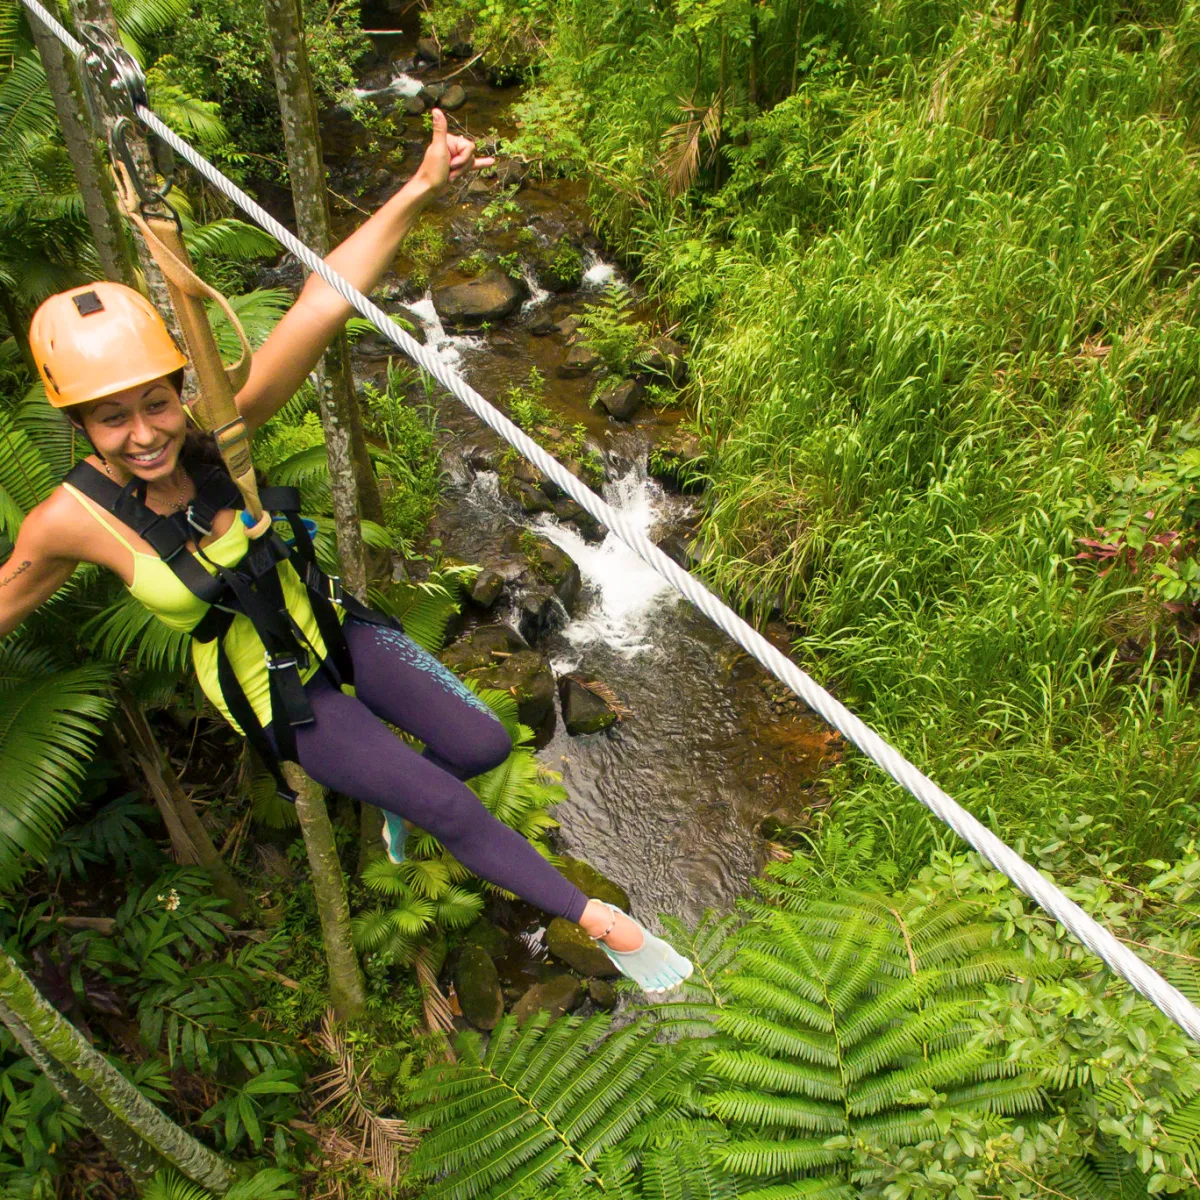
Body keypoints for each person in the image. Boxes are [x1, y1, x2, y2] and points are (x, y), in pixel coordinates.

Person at [0, 111, 692, 996]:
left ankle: (404, 803)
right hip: (280, 694)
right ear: (77, 423)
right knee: (445, 803)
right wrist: (590, 910)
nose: (143, 435)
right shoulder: (68, 521)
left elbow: (321, 302)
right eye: (111, 417)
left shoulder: (223, 430)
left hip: (335, 625)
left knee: (482, 744)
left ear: (181, 388)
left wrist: (417, 189)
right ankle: (606, 927)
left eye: (155, 404)